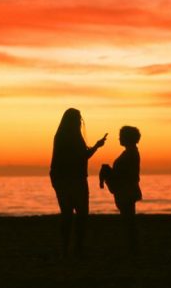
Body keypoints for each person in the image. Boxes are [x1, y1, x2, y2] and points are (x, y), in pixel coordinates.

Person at [50, 108, 106, 258]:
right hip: (75, 179)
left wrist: (96, 146)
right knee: (81, 215)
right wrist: (96, 146)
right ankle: (76, 248)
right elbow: (83, 156)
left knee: (67, 214)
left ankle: (66, 248)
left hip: (61, 179)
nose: (80, 122)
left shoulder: (60, 135)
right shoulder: (73, 137)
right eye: (79, 119)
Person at [99, 126, 143, 254]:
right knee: (128, 219)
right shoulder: (131, 152)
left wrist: (108, 173)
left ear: (127, 138)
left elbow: (126, 174)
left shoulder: (131, 153)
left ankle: (133, 248)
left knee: (128, 220)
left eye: (121, 136)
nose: (119, 138)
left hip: (126, 191)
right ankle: (132, 247)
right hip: (126, 190)